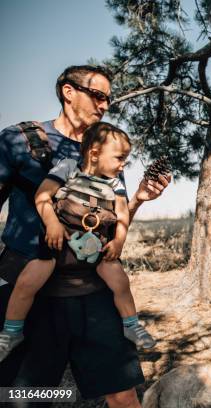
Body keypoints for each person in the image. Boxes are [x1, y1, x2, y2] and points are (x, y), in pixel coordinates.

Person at [0, 65, 170, 407]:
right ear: (68, 92)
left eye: (109, 99)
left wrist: (138, 199)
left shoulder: (107, 152)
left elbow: (112, 224)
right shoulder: (19, 140)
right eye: (98, 95)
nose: (105, 105)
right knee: (27, 398)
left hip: (94, 294)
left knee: (123, 394)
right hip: (35, 294)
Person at [0, 122, 156, 363]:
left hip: (97, 246)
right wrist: (51, 223)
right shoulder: (69, 168)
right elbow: (43, 195)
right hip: (58, 242)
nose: (123, 164)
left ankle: (131, 325)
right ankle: (11, 332)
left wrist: (118, 243)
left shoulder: (114, 184)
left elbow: (122, 214)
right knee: (27, 282)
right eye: (119, 158)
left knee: (120, 281)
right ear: (94, 154)